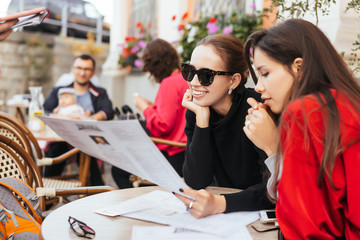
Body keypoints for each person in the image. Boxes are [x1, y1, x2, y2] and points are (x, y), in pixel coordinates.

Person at [242, 19, 360, 239]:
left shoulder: (305, 111)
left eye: (265, 73)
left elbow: (304, 225)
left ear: (299, 67)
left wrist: (271, 146)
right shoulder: (347, 101)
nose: (258, 87)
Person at [175, 33, 273, 218]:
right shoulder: (197, 110)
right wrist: (202, 121)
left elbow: (274, 188)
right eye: (189, 71)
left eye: (206, 75)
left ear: (234, 80)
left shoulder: (258, 108)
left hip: (259, 217)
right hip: (224, 215)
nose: (194, 82)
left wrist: (220, 204)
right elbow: (196, 180)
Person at [111, 38, 188, 188]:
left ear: (154, 65)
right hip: (184, 153)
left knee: (119, 170)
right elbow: (178, 114)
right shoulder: (183, 79)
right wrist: (152, 106)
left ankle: (139, 203)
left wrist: (143, 107)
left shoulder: (169, 83)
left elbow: (163, 125)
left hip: (172, 152)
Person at [43, 54, 114, 186]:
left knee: (88, 154)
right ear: (72, 69)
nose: (82, 73)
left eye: (87, 69)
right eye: (79, 68)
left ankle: (94, 192)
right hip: (62, 138)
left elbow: (108, 112)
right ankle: (46, 195)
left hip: (87, 140)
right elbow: (47, 109)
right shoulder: (60, 91)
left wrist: (89, 118)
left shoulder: (99, 93)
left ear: (93, 73)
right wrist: (58, 114)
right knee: (55, 153)